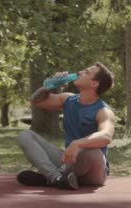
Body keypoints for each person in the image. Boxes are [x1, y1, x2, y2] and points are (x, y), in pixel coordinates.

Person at [17, 62, 115, 190]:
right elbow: (36, 101)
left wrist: (78, 144)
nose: (80, 72)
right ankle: (56, 178)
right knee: (25, 135)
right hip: (68, 162)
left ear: (94, 83)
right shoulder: (68, 99)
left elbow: (106, 136)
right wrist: (50, 86)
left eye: (86, 72)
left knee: (92, 151)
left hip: (93, 171)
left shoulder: (104, 111)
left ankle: (50, 177)